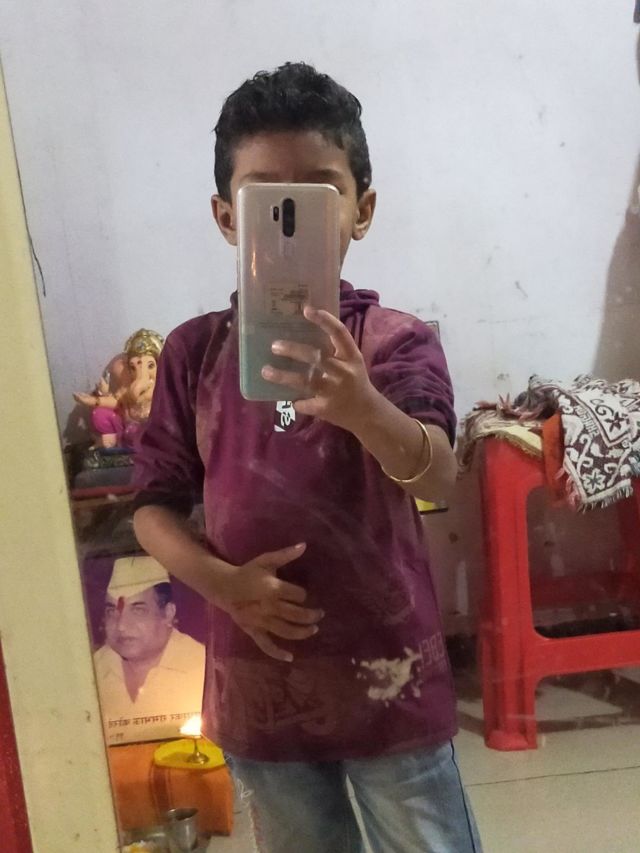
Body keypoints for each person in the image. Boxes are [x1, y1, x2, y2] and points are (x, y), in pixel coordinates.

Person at [132, 62, 482, 852]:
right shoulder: (193, 353)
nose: (291, 219)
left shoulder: (393, 342)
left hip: (390, 681)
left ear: (363, 209)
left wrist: (363, 408)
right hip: (260, 688)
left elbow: (437, 471)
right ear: (228, 218)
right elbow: (152, 505)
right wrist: (219, 581)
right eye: (267, 200)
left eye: (318, 194)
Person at [94, 555, 205, 744]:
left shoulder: (203, 666)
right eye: (112, 611)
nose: (121, 626)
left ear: (168, 613)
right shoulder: (93, 668)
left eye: (138, 610)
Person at [73, 328, 164, 448]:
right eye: (133, 368)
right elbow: (116, 401)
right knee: (100, 413)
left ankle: (122, 441)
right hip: (131, 429)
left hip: (156, 433)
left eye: (151, 366)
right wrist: (93, 400)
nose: (141, 374)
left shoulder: (163, 389)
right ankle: (115, 440)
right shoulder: (127, 388)